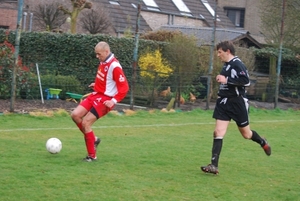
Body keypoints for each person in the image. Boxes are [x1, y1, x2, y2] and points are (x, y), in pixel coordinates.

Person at [201, 41, 271, 174]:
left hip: (237, 103)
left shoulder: (237, 64)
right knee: (218, 132)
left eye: (220, 52)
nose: (218, 55)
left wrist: (226, 80)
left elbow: (246, 82)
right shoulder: (226, 66)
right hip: (223, 102)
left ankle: (262, 142)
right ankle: (214, 166)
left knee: (246, 134)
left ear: (228, 51)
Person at [71, 41, 129, 162]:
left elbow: (124, 87)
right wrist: (96, 85)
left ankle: (92, 156)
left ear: (106, 52)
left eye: (99, 54)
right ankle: (94, 139)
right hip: (96, 94)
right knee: (75, 115)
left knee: (86, 123)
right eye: (96, 54)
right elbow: (106, 79)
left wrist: (113, 101)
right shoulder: (103, 62)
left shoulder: (115, 66)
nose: (97, 56)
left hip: (105, 100)